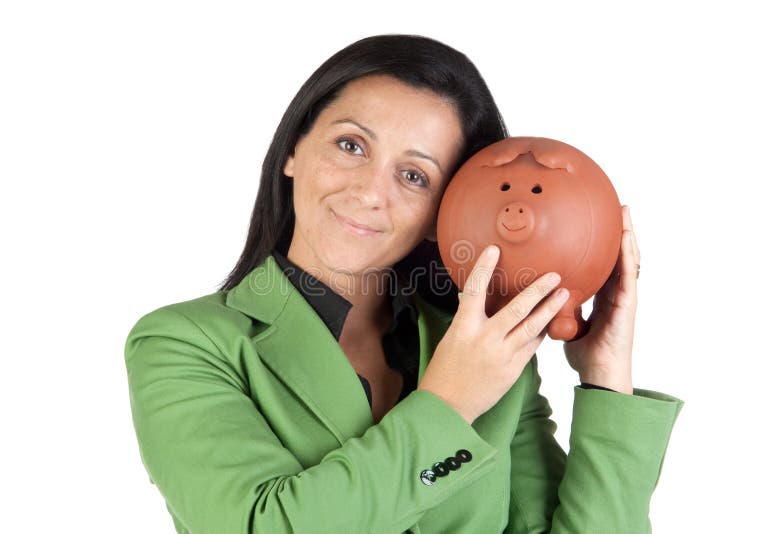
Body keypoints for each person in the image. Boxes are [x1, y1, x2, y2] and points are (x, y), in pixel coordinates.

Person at [124, 34, 684, 534]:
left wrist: (607, 376)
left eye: (414, 175)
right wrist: (449, 401)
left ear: (448, 208)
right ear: (294, 149)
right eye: (351, 145)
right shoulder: (182, 344)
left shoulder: (486, 351)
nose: (371, 192)